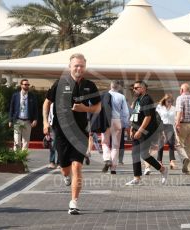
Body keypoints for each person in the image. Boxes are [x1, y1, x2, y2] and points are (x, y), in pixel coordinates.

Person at [42, 53, 101, 215]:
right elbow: (47, 103)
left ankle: (73, 202)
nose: (79, 68)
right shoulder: (59, 83)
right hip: (61, 131)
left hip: (80, 132)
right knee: (65, 167)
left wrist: (85, 109)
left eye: (81, 65)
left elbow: (98, 107)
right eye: (76, 65)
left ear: (85, 67)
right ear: (70, 67)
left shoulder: (90, 85)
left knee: (77, 166)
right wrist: (45, 122)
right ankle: (65, 176)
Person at [125, 80, 168, 186]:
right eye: (133, 88)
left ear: (144, 88)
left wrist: (140, 130)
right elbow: (135, 115)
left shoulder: (147, 99)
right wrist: (132, 128)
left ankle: (162, 169)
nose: (134, 90)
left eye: (137, 88)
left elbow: (148, 117)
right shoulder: (137, 100)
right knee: (135, 154)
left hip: (145, 132)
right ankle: (137, 178)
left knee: (144, 155)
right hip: (136, 130)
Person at [101, 80, 129, 174]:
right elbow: (125, 112)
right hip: (117, 121)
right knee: (115, 146)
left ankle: (107, 158)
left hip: (106, 121)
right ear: (118, 87)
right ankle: (113, 169)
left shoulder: (104, 95)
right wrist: (125, 123)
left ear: (110, 86)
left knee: (105, 142)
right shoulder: (121, 97)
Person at [175, 83, 190, 174]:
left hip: (183, 124)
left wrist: (177, 124)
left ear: (182, 90)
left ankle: (184, 158)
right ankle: (187, 169)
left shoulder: (180, 98)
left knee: (178, 144)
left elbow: (179, 112)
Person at [9, 79, 38, 151]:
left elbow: (35, 109)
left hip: (28, 121)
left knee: (26, 141)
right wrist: (10, 120)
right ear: (21, 85)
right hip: (17, 120)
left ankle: (22, 157)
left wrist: (35, 119)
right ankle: (16, 158)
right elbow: (11, 108)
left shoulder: (32, 96)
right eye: (25, 84)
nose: (27, 86)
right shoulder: (15, 95)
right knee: (16, 140)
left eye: (28, 85)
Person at [156, 94, 177, 170]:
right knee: (160, 144)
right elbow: (157, 118)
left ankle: (172, 161)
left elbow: (175, 119)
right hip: (161, 126)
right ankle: (159, 161)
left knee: (171, 144)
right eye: (168, 101)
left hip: (170, 126)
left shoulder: (174, 108)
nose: (169, 102)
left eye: (171, 101)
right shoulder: (160, 107)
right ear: (164, 101)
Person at [47, 103, 58, 169]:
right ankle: (52, 162)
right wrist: (48, 126)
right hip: (52, 126)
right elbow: (50, 116)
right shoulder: (52, 104)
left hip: (61, 126)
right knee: (53, 144)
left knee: (60, 144)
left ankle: (60, 162)